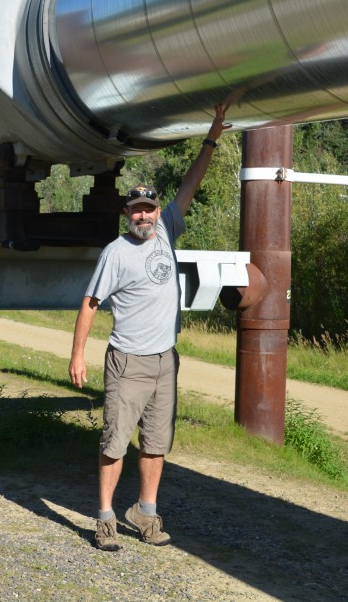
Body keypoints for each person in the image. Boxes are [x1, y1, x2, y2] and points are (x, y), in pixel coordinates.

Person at [68, 104, 231, 551]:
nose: (144, 216)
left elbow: (191, 184)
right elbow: (90, 304)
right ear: (127, 214)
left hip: (165, 361)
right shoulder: (115, 253)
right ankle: (104, 519)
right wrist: (78, 354)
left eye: (150, 209)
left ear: (159, 212)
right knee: (115, 443)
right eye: (137, 210)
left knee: (156, 444)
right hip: (127, 361)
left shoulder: (169, 229)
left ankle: (146, 512)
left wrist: (212, 137)